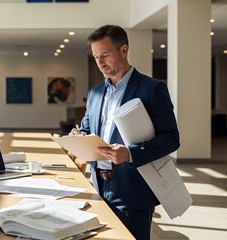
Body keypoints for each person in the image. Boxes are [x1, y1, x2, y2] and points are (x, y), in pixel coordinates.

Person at [70, 25, 180, 240]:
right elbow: (86, 128)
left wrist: (130, 153)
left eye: (105, 55)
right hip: (98, 185)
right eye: (95, 57)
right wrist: (78, 136)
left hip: (133, 188)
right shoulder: (95, 92)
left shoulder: (152, 89)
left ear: (123, 50)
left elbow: (171, 139)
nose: (100, 63)